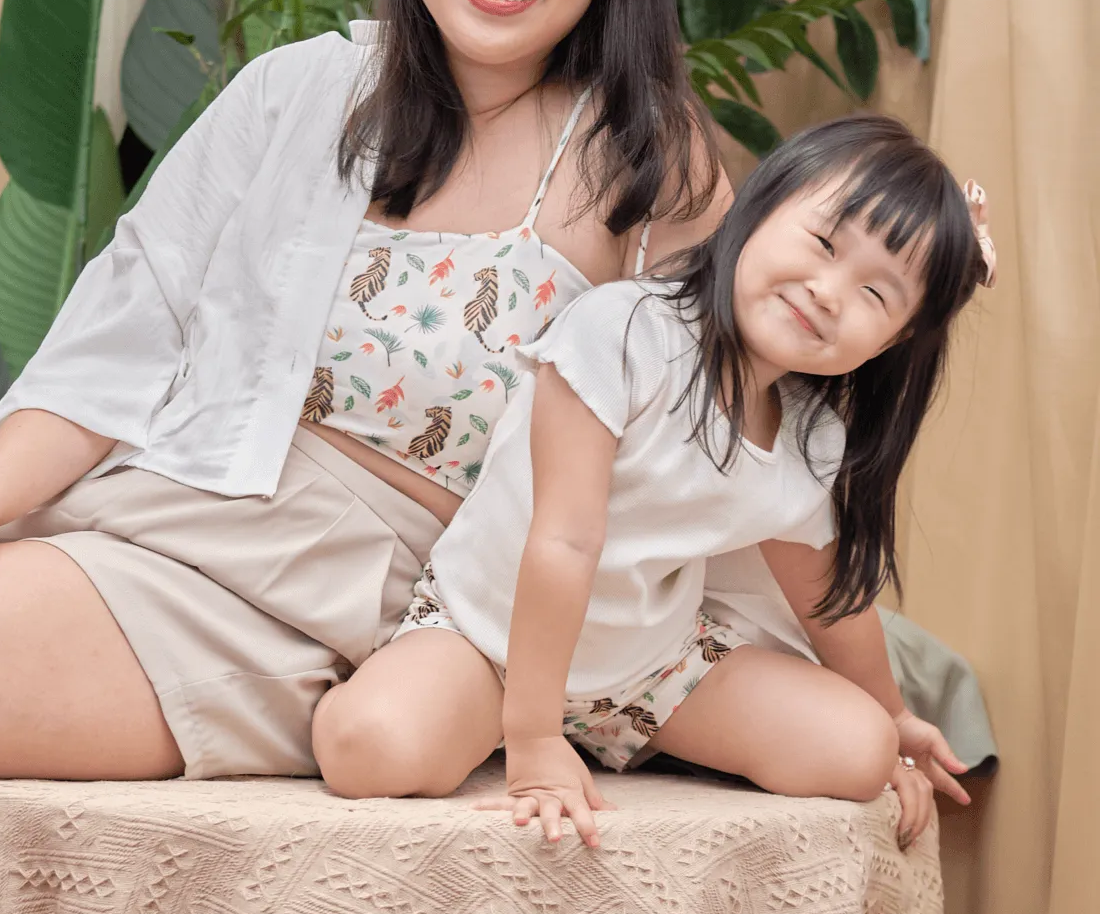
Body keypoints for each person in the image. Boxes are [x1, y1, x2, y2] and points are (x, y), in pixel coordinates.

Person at [0, 0, 729, 782]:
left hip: (370, 603)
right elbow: (117, 350)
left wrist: (855, 687)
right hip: (169, 512)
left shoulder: (648, 157)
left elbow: (733, 432)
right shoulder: (297, 89)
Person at [315, 115, 994, 853]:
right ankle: (431, 706)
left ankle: (608, 737)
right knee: (368, 750)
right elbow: (566, 542)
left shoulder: (808, 436)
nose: (829, 291)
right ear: (759, 209)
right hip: (490, 638)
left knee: (857, 751)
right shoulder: (624, 332)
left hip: (649, 669)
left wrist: (892, 717)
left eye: (876, 294)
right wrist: (535, 738)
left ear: (892, 342)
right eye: (825, 244)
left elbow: (827, 599)